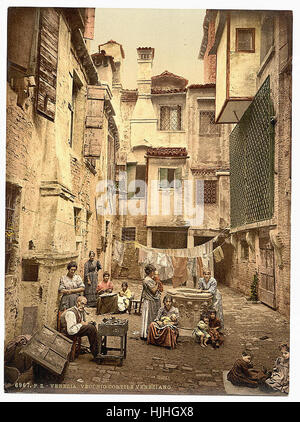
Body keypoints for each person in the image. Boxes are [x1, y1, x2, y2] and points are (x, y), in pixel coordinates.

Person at [60, 296, 99, 360]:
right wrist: (81, 324)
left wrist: (85, 323)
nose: (83, 306)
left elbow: (81, 322)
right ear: (77, 302)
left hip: (75, 328)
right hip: (69, 331)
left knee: (92, 326)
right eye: (82, 303)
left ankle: (98, 350)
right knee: (91, 328)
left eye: (85, 304)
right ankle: (96, 354)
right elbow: (70, 330)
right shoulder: (71, 313)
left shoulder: (80, 311)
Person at [140, 264, 161, 340]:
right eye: (153, 271)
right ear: (150, 272)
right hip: (149, 301)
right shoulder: (147, 280)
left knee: (151, 317)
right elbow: (154, 291)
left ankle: (150, 333)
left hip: (151, 300)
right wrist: (157, 282)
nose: (154, 273)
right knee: (148, 318)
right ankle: (146, 334)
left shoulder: (149, 279)